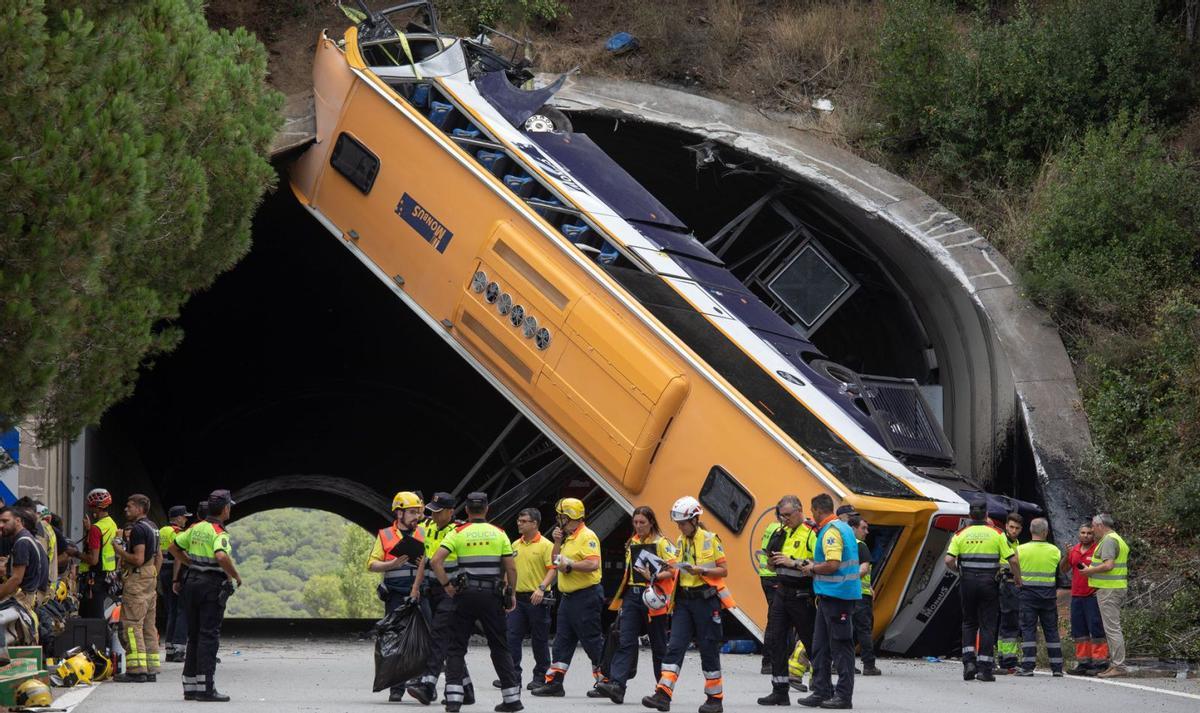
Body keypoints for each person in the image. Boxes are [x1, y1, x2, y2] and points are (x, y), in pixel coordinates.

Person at [429, 491, 523, 713]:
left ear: (467, 511)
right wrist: (511, 593)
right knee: (500, 646)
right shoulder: (499, 534)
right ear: (487, 509)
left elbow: (436, 561)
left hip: (464, 596)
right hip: (492, 596)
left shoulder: (459, 533)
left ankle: (453, 700)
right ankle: (511, 699)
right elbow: (510, 567)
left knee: (456, 647)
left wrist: (446, 586)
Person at [640, 495, 731, 713]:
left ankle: (714, 699)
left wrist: (702, 570)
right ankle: (663, 694)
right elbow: (678, 568)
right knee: (675, 647)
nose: (680, 527)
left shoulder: (710, 539)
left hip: (706, 601)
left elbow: (724, 570)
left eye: (682, 523)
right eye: (678, 523)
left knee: (708, 649)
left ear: (694, 520)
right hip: (684, 601)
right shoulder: (681, 541)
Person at [595, 506, 677, 704]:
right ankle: (617, 686)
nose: (638, 526)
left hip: (653, 596)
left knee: (658, 645)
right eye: (636, 522)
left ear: (651, 523)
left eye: (642, 523)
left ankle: (663, 689)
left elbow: (673, 570)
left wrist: (655, 576)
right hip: (632, 595)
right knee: (625, 640)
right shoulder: (632, 542)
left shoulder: (662, 543)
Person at [169, 489, 242, 702]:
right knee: (209, 636)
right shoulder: (219, 532)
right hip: (211, 587)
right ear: (225, 509)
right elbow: (221, 555)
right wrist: (235, 575)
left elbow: (174, 547)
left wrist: (190, 563)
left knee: (194, 636)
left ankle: (190, 688)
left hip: (191, 584)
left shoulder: (196, 528)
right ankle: (206, 689)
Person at [532, 498, 605, 697]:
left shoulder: (587, 536)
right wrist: (557, 542)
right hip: (569, 598)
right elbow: (556, 562)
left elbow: (593, 564)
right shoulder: (569, 537)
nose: (558, 519)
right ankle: (555, 682)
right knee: (562, 640)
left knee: (591, 640)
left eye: (560, 516)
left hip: (586, 596)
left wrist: (571, 565)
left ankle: (606, 681)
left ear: (569, 517)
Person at [944, 500, 1020, 682]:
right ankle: (985, 670)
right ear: (986, 515)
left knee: (969, 623)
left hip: (967, 582)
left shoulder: (960, 534)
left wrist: (959, 571)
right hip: (989, 584)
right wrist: (1018, 578)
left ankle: (969, 664)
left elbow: (948, 560)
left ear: (970, 515)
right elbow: (1013, 560)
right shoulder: (997, 533)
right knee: (987, 625)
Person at [796, 494, 860, 710]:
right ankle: (822, 691)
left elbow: (832, 564)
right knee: (820, 646)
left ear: (816, 510)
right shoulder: (842, 527)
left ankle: (843, 696)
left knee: (841, 647)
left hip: (838, 596)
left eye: (812, 511)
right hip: (830, 596)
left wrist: (812, 568)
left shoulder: (831, 532)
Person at [411, 492, 474, 705]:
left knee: (438, 636)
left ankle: (427, 686)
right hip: (433, 591)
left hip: (453, 592)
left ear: (450, 512)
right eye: (432, 511)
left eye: (438, 512)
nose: (434, 515)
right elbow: (425, 560)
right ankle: (467, 688)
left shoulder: (459, 531)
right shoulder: (428, 528)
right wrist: (416, 587)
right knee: (450, 642)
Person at [369, 491, 427, 703]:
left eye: (419, 512)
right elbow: (372, 564)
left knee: (426, 638)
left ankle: (423, 683)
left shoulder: (425, 532)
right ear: (399, 513)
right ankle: (396, 688)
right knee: (395, 640)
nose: (417, 517)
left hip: (422, 592)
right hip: (396, 594)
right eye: (412, 512)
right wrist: (391, 564)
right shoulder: (385, 535)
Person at [758, 495, 817, 706]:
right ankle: (780, 690)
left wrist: (792, 562)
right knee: (776, 639)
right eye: (781, 515)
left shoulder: (811, 532)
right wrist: (772, 563)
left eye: (788, 515)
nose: (785, 519)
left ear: (800, 510)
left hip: (802, 594)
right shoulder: (780, 531)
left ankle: (821, 688)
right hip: (781, 592)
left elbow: (819, 564)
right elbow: (772, 562)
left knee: (810, 641)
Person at [502, 508, 555, 691]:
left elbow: (553, 569)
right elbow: (509, 569)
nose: (519, 523)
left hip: (537, 598)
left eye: (524, 521)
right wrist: (507, 591)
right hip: (517, 598)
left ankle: (541, 676)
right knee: (511, 638)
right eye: (519, 520)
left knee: (539, 640)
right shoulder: (515, 544)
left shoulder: (546, 545)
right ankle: (512, 676)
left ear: (534, 524)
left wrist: (541, 588)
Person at [113, 494, 162, 683]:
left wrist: (119, 551)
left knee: (132, 624)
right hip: (150, 576)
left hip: (139, 576)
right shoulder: (153, 527)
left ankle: (136, 670)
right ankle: (150, 668)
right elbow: (158, 556)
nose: (126, 509)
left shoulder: (139, 530)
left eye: (130, 506)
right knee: (149, 625)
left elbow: (138, 558)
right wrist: (152, 575)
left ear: (140, 509)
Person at [1079, 513, 1129, 678]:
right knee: (1112, 628)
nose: (1092, 530)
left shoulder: (1108, 540)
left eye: (1093, 526)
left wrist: (1089, 571)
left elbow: (1108, 565)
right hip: (1113, 588)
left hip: (1110, 590)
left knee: (1112, 628)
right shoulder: (1116, 539)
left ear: (1100, 526)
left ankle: (1119, 666)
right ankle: (1115, 664)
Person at [1014, 517, 1063, 677]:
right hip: (1048, 596)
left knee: (1028, 630)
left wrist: (1018, 580)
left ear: (1030, 530)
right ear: (1046, 532)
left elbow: (1014, 567)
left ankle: (1028, 666)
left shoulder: (1020, 550)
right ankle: (1057, 668)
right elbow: (1058, 571)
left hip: (1028, 595)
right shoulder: (1055, 551)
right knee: (1051, 630)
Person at [1062, 521, 1107, 675]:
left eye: (1089, 533)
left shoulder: (1098, 550)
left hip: (1092, 596)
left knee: (1096, 629)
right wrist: (1067, 556)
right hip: (1076, 596)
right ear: (1079, 534)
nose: (1086, 535)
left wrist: (1101, 590)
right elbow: (1064, 569)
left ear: (1093, 534)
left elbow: (1107, 570)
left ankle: (1100, 663)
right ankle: (1084, 663)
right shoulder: (1074, 549)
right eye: (1083, 533)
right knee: (1079, 631)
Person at [0, 506, 47, 642]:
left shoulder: (22, 543)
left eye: (5, 521)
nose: (1, 525)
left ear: (18, 521)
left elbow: (16, 579)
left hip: (24, 599)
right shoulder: (27, 539)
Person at [76, 488, 118, 620]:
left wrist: (75, 553)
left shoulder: (96, 528)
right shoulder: (111, 524)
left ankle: (96, 640)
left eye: (91, 507)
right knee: (99, 613)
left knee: (92, 617)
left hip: (95, 578)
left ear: (96, 508)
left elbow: (93, 559)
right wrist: (88, 530)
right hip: (107, 575)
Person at [160, 505, 193, 663]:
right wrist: (177, 579)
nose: (186, 519)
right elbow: (178, 557)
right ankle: (179, 648)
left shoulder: (162, 531)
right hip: (175, 573)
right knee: (181, 610)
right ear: (178, 518)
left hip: (162, 572)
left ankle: (169, 649)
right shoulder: (179, 533)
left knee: (171, 610)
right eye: (184, 516)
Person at [848, 515, 880, 677]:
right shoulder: (861, 546)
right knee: (864, 630)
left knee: (849, 630)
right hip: (860, 596)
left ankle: (843, 662)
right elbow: (864, 570)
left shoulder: (845, 546)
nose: (866, 532)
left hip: (848, 595)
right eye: (863, 528)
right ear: (853, 528)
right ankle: (869, 665)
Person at [754, 509, 784, 675]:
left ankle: (772, 660)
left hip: (768, 577)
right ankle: (768, 661)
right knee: (775, 620)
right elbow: (771, 553)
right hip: (773, 577)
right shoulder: (778, 529)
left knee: (776, 619)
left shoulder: (771, 527)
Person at [995, 512, 1024, 674]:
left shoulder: (1016, 542)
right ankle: (1009, 661)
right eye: (1011, 527)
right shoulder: (1003, 539)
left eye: (1017, 528)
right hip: (1007, 584)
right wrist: (1019, 578)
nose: (1013, 530)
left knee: (1006, 623)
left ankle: (1003, 658)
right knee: (1010, 623)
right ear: (1006, 526)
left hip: (1006, 585)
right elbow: (1012, 561)